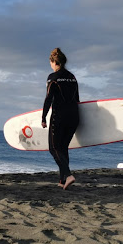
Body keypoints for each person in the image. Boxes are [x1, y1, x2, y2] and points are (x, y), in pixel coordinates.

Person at [41, 48, 80, 189]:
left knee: (53, 148)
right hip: (74, 116)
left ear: (53, 62)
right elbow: (77, 99)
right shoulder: (72, 77)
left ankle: (68, 175)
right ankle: (62, 180)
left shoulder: (53, 77)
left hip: (59, 116)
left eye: (50, 63)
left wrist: (44, 117)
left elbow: (48, 99)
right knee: (63, 148)